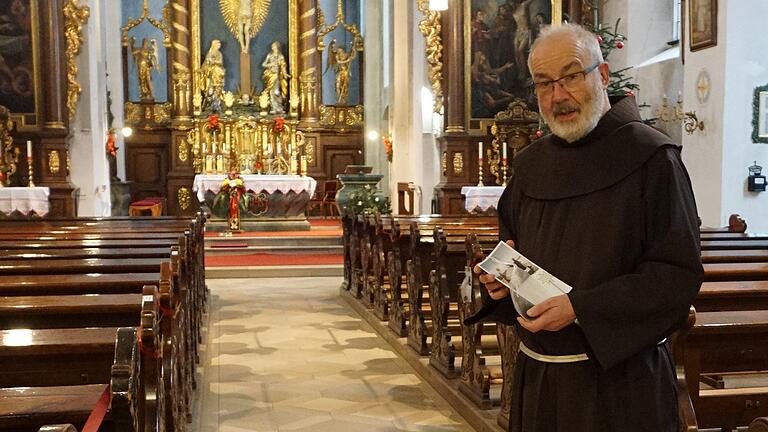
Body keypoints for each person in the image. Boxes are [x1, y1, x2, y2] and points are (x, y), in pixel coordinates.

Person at [467, 23, 703, 432]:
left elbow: (675, 276)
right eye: (544, 83)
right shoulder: (529, 167)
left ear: (604, 75)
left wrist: (582, 308)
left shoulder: (653, 160)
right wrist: (502, 284)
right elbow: (515, 255)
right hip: (539, 380)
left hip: (621, 387)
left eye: (572, 76)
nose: (558, 95)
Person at [261, 41, 289, 114]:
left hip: (277, 75)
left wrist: (285, 74)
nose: (272, 47)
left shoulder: (280, 56)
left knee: (277, 91)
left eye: (273, 46)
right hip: (271, 75)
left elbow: (283, 66)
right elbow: (264, 64)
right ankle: (273, 108)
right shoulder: (270, 55)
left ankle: (279, 107)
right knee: (271, 92)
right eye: (272, 46)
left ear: (277, 47)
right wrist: (270, 64)